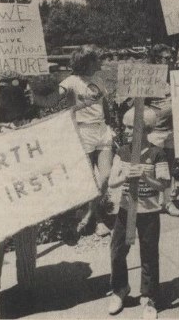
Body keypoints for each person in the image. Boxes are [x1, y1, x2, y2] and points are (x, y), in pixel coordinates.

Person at [108, 104, 170, 319]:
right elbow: (112, 181)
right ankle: (120, 289)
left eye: (129, 128)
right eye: (124, 127)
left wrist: (145, 177)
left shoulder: (157, 154)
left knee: (149, 255)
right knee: (117, 251)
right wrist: (126, 176)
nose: (124, 131)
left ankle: (150, 296)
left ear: (145, 131)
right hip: (126, 212)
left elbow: (163, 185)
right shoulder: (122, 151)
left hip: (149, 214)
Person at [59, 45, 113, 236]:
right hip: (82, 131)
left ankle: (89, 213)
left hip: (102, 129)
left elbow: (104, 104)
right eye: (98, 59)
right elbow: (54, 96)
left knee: (106, 177)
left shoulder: (98, 79)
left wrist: (110, 124)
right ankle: (97, 220)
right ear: (88, 61)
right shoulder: (71, 81)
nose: (102, 61)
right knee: (90, 180)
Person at [0, 71, 40, 300]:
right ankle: (27, 287)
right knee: (21, 242)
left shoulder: (33, 125)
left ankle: (28, 288)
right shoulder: (32, 124)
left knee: (22, 241)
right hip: (8, 193)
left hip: (24, 191)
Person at [146, 44, 179, 218]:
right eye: (165, 58)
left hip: (171, 130)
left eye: (171, 57)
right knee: (152, 168)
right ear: (156, 60)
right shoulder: (149, 80)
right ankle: (151, 201)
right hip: (154, 131)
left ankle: (167, 202)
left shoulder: (175, 79)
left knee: (168, 167)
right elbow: (138, 105)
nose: (170, 60)